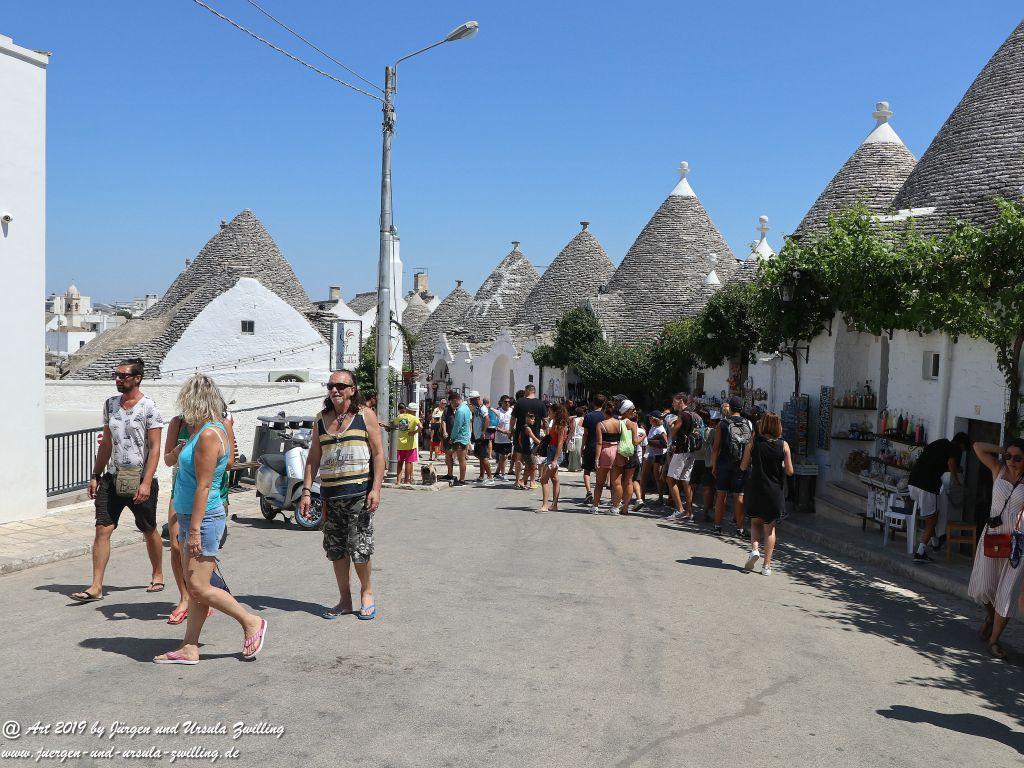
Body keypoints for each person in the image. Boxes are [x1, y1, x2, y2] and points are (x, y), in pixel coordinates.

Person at [153, 374, 266, 664]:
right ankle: (190, 647)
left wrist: (192, 530)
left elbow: (205, 485)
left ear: (194, 400)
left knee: (200, 587)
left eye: (186, 400)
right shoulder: (205, 431)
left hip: (201, 518)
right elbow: (222, 464)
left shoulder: (207, 434)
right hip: (195, 514)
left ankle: (250, 621)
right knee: (196, 587)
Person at [72, 358, 165, 603]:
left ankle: (157, 573)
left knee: (148, 529)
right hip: (112, 478)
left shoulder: (149, 407)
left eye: (123, 376)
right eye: (116, 375)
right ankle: (96, 586)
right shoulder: (110, 405)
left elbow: (155, 449)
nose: (118, 379)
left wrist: (146, 482)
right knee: (102, 529)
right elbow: (106, 443)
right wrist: (95, 475)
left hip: (139, 478)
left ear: (137, 378)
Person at [300, 369, 385, 621]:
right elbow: (313, 458)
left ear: (352, 389)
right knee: (336, 549)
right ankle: (344, 600)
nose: (334, 390)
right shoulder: (320, 419)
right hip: (330, 495)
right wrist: (306, 491)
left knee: (359, 547)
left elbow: (379, 454)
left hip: (359, 493)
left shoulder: (365, 416)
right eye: (330, 386)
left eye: (340, 385)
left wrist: (376, 489)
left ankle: (366, 593)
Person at [162, 408, 236, 625]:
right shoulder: (178, 423)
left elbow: (230, 462)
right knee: (177, 547)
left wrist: (204, 456)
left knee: (202, 555)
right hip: (181, 491)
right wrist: (178, 452)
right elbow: (167, 460)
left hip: (209, 491)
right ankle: (187, 597)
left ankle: (206, 595)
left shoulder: (219, 425)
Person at [967, 439, 1024, 659]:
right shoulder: (998, 469)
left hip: (1017, 543)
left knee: (1007, 591)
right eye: (1009, 457)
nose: (1011, 461)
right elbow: (978, 447)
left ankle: (994, 640)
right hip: (992, 536)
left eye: (1017, 458)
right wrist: (1005, 450)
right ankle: (990, 618)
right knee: (984, 586)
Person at [740, 412, 794, 576]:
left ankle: (755, 549)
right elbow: (790, 471)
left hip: (756, 488)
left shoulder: (753, 443)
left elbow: (743, 466)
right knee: (770, 530)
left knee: (755, 522)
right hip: (774, 491)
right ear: (778, 426)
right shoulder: (784, 445)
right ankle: (767, 566)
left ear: (762, 425)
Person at [907, 433, 970, 562]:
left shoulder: (940, 442)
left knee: (932, 516)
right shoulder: (955, 449)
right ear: (962, 445)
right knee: (932, 521)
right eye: (964, 449)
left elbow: (937, 462)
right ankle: (920, 553)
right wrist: (957, 481)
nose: (962, 452)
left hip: (913, 483)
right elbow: (951, 462)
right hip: (928, 486)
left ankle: (936, 543)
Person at [712, 397, 753, 537]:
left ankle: (718, 526)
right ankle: (740, 529)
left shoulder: (723, 424)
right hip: (741, 465)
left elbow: (716, 447)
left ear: (730, 407)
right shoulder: (749, 423)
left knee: (721, 495)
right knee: (739, 496)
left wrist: (713, 464)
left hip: (724, 463)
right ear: (742, 408)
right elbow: (750, 446)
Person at [665, 394, 703, 523]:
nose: (673, 404)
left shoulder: (683, 415)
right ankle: (689, 512)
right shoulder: (693, 415)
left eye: (674, 401)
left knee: (670, 479)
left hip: (682, 450)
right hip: (692, 451)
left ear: (681, 401)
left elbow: (673, 432)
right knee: (685, 480)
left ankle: (680, 510)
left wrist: (671, 425)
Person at [510, 384, 548, 489]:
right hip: (534, 435)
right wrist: (547, 433)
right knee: (533, 459)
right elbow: (545, 420)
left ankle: (517, 481)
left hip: (520, 434)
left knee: (519, 458)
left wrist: (510, 430)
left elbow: (513, 418)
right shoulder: (540, 404)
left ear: (527, 390)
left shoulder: (519, 402)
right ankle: (532, 482)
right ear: (534, 391)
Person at [538, 403, 569, 513]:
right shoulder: (554, 422)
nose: (548, 413)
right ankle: (554, 505)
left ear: (555, 412)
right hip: (551, 450)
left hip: (556, 453)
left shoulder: (560, 425)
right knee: (554, 479)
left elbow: (560, 443)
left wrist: (555, 460)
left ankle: (545, 505)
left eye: (550, 411)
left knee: (544, 479)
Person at [581, 394, 607, 505]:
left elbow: (585, 433)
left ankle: (589, 493)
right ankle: (597, 495)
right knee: (599, 472)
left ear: (593, 403)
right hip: (602, 446)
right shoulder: (605, 416)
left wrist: (582, 446)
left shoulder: (588, 416)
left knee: (587, 470)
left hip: (590, 445)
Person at [638, 411, 668, 509]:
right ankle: (641, 497)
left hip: (659, 454)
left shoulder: (661, 429)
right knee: (644, 475)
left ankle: (660, 498)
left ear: (655, 419)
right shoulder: (653, 427)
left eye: (650, 418)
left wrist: (652, 442)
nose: (649, 419)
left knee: (657, 477)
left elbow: (665, 442)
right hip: (649, 453)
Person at [617, 402, 643, 515]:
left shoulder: (617, 422)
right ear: (627, 411)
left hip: (619, 453)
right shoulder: (632, 424)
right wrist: (643, 436)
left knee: (618, 480)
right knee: (628, 481)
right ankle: (625, 507)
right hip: (630, 454)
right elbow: (635, 441)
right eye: (632, 409)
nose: (634, 411)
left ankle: (617, 504)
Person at [469, 391, 494, 485]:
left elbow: (487, 419)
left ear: (476, 399)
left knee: (483, 457)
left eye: (472, 399)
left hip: (481, 436)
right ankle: (481, 476)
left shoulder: (483, 408)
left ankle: (490, 477)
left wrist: (483, 432)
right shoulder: (476, 408)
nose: (470, 401)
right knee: (480, 456)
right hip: (477, 435)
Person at [393, 402, 421, 485]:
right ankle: (406, 480)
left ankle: (398, 481)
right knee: (408, 462)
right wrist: (414, 432)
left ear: (407, 409)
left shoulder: (400, 416)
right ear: (414, 411)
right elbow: (421, 427)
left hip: (400, 443)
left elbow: (394, 423)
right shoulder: (414, 418)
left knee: (400, 462)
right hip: (410, 444)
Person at [449, 391, 472, 486]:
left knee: (461, 460)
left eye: (451, 402)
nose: (452, 405)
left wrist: (452, 437)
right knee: (462, 459)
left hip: (460, 438)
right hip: (465, 436)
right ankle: (462, 478)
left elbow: (457, 426)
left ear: (455, 400)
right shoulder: (466, 408)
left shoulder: (460, 410)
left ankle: (462, 479)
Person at [492, 395, 514, 481]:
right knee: (503, 456)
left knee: (503, 456)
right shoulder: (497, 412)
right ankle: (503, 474)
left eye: (509, 402)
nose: (507, 403)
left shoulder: (512, 411)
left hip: (508, 439)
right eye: (505, 402)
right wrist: (504, 431)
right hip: (500, 439)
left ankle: (497, 473)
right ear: (501, 402)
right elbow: (494, 426)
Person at [441, 397, 456, 481]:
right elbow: (443, 420)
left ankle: (461, 478)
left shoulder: (460, 409)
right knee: (448, 455)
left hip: (458, 436)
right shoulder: (447, 409)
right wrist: (445, 431)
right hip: (448, 435)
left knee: (456, 455)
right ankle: (450, 474)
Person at [566, 406, 585, 473]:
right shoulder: (584, 419)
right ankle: (579, 466)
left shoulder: (575, 420)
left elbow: (572, 430)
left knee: (573, 452)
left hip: (575, 437)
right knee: (579, 453)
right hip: (582, 437)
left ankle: (572, 467)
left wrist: (568, 439)